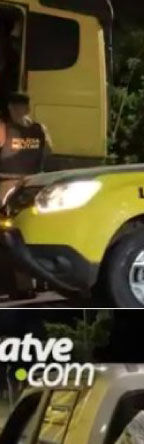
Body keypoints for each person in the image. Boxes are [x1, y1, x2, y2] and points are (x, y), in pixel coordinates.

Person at [0, 92, 52, 300]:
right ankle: (35, 282)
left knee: (10, 236)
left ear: (12, 108)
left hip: (7, 184)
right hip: (34, 184)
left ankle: (22, 286)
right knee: (29, 233)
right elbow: (49, 152)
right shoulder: (40, 129)